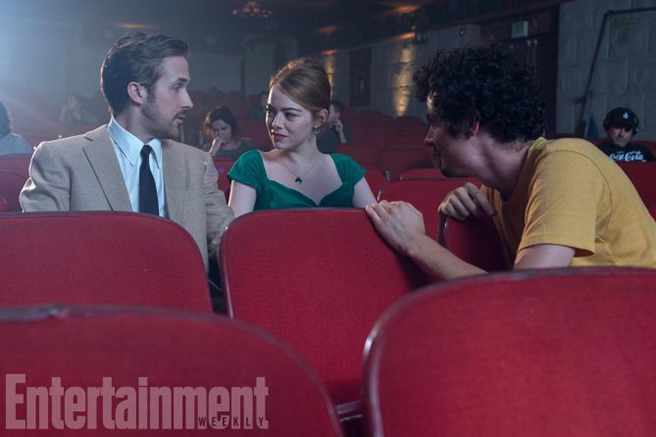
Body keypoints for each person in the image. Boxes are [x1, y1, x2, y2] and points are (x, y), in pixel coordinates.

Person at [365, 45, 656, 281]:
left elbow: (522, 296)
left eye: (434, 123)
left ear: (470, 123)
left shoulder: (567, 162)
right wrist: (446, 225)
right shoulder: (493, 192)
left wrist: (415, 242)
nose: (428, 138)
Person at [20, 32, 234, 272]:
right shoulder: (60, 159)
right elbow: (42, 257)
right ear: (137, 92)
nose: (188, 101)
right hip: (99, 294)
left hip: (185, 293)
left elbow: (229, 243)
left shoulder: (197, 163)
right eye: (177, 87)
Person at [228, 58, 375, 217]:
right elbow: (236, 232)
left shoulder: (346, 168)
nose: (275, 123)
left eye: (290, 114)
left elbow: (379, 226)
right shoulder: (252, 165)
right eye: (270, 111)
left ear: (319, 119)